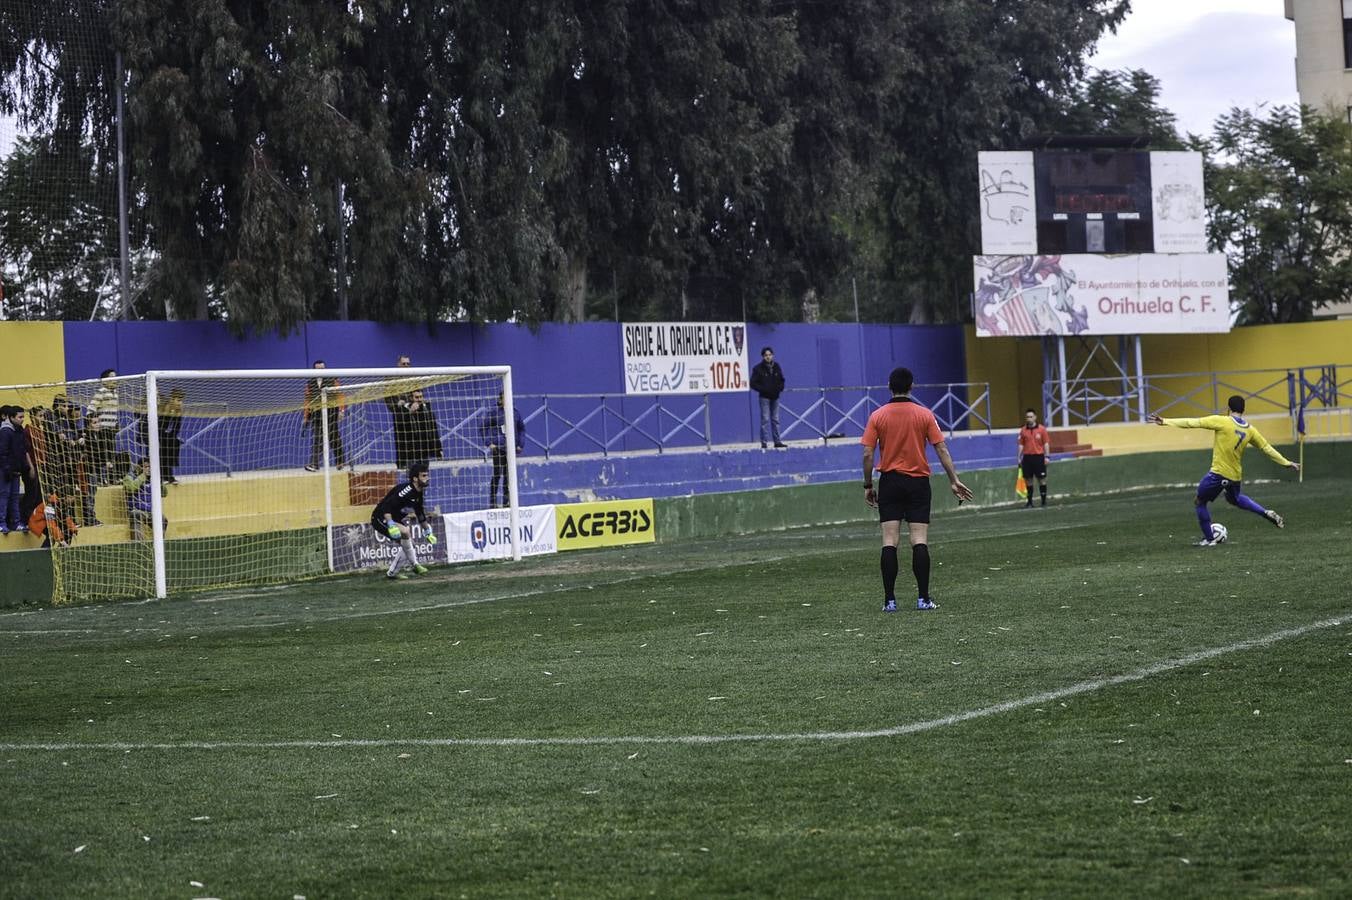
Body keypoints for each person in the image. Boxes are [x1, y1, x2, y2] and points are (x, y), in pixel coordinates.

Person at [861, 366, 974, 612]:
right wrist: (953, 479)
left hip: (890, 481)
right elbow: (941, 448)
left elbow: (868, 453)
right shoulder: (924, 414)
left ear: (889, 387)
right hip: (918, 483)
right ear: (912, 387)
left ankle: (889, 601)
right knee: (918, 540)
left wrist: (869, 484)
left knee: (889, 541)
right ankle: (923, 598)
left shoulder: (877, 416)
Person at [1148, 395, 1298, 546]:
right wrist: (1286, 462)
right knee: (1234, 498)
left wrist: (1165, 421)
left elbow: (1193, 422)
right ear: (1243, 410)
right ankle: (1265, 512)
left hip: (1219, 473)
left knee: (1199, 501)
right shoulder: (1251, 430)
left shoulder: (1222, 421)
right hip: (1235, 475)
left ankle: (1210, 538)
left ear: (1228, 409)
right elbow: (1267, 448)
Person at [371, 460, 434, 580]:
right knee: (405, 532)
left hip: (393, 518)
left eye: (427, 475)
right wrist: (391, 524)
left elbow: (420, 513)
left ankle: (392, 573)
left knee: (409, 545)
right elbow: (386, 507)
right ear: (415, 479)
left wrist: (427, 532)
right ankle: (415, 565)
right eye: (424, 476)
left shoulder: (419, 492)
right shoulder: (406, 491)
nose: (427, 478)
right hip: (380, 517)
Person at [480, 392, 525, 508]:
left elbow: (521, 429)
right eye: (505, 398)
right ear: (500, 400)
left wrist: (520, 444)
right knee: (497, 474)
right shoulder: (494, 412)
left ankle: (506, 501)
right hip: (498, 448)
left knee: (508, 475)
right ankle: (493, 501)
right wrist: (489, 443)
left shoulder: (515, 413)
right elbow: (483, 427)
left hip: (511, 449)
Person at [303, 360, 347, 471]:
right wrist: (305, 416)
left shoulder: (333, 380)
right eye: (318, 369)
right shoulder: (310, 383)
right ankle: (314, 464)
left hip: (331, 413)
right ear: (314, 370)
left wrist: (341, 410)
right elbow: (307, 400)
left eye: (323, 368)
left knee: (334, 437)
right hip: (316, 415)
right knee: (317, 439)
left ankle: (340, 461)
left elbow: (340, 396)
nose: (321, 371)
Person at [86, 368, 120, 484]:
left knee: (111, 455)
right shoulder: (101, 392)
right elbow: (90, 409)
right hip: (102, 430)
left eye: (116, 377)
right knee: (103, 455)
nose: (115, 379)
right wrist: (94, 424)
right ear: (104, 381)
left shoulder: (116, 394)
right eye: (112, 377)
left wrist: (116, 424)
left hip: (111, 429)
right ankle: (101, 479)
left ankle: (110, 479)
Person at [123, 457, 168, 542]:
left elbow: (164, 494)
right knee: (136, 515)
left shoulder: (153, 478)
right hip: (136, 509)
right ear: (139, 467)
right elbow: (130, 488)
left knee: (163, 519)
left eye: (149, 467)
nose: (148, 469)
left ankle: (159, 542)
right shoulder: (130, 476)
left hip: (150, 511)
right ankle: (137, 543)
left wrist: (159, 481)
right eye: (145, 467)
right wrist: (143, 476)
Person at [750, 346, 787, 449]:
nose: (768, 357)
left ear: (773, 355)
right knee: (765, 419)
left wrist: (779, 389)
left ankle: (777, 442)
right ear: (763, 356)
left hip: (775, 397)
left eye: (770, 355)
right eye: (766, 355)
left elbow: (782, 380)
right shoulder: (757, 368)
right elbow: (753, 383)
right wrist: (763, 389)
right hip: (764, 397)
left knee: (775, 419)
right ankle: (764, 443)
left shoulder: (777, 367)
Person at [1016, 407, 1051, 508]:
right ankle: (1029, 502)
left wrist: (1047, 456)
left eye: (1031, 417)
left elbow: (1046, 443)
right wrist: (1019, 457)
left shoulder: (1042, 429)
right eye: (1027, 417)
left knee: (1042, 479)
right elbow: (1021, 444)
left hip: (1039, 457)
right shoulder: (1023, 430)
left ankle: (1043, 501)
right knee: (1028, 480)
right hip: (1027, 458)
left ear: (1035, 417)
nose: (1029, 419)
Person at [401, 389, 443, 469]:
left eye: (421, 397)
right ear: (411, 398)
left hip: (424, 451)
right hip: (411, 452)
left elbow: (433, 430)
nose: (419, 399)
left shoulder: (427, 410)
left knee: (424, 475)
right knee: (413, 476)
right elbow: (402, 429)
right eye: (417, 397)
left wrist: (438, 449)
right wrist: (410, 412)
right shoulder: (404, 410)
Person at [385, 354, 414, 465]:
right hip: (399, 412)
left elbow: (419, 392)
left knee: (416, 439)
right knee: (402, 440)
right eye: (404, 364)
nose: (406, 366)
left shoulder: (414, 376)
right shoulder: (390, 377)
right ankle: (402, 464)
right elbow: (387, 396)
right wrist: (396, 406)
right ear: (398, 364)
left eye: (408, 364)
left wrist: (413, 404)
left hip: (413, 411)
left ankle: (416, 464)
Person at [0, 406, 25, 533]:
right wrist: (7, 468)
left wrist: (22, 466)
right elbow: (2, 453)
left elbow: (20, 451)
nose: (22, 420)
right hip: (5, 471)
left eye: (23, 417)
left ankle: (15, 523)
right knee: (3, 495)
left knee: (14, 496)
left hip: (15, 470)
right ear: (11, 417)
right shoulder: (5, 431)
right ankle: (1, 523)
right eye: (20, 417)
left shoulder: (19, 430)